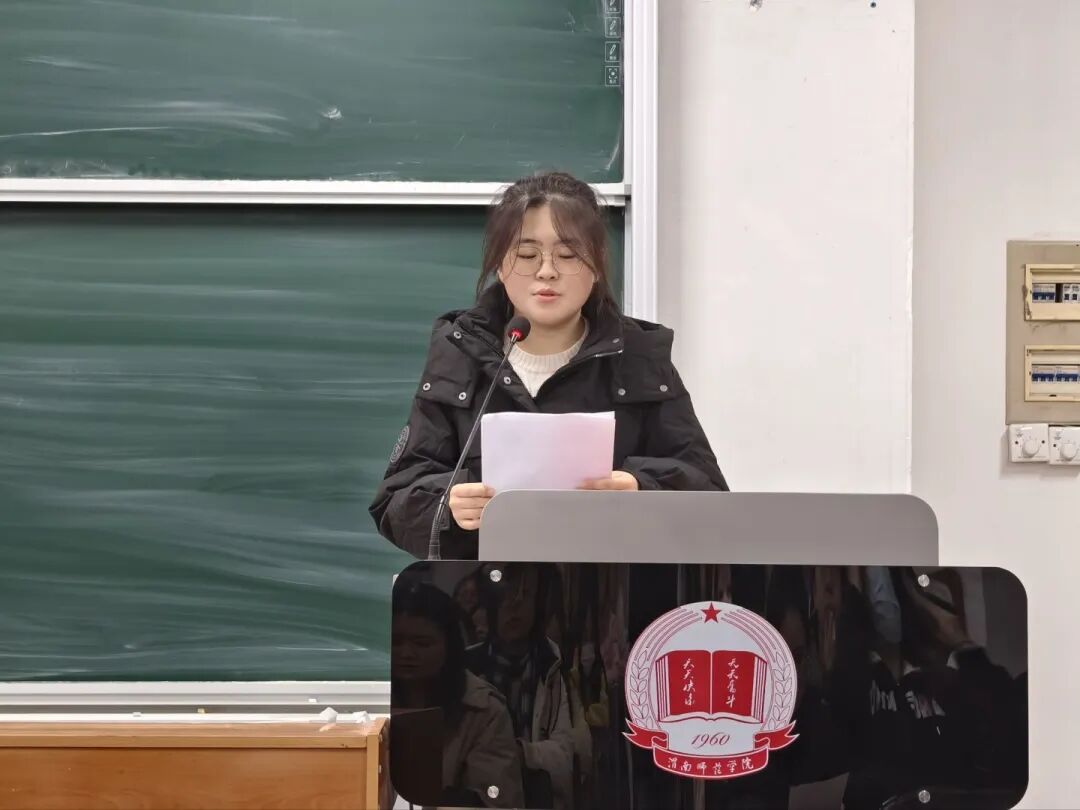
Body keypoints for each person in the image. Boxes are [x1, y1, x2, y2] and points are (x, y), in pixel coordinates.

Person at [369, 170, 728, 559]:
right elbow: (395, 503)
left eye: (568, 255)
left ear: (596, 264)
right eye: (526, 255)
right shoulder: (461, 353)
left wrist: (641, 488)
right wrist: (449, 504)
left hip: (611, 589)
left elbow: (710, 495)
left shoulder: (639, 357)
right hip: (486, 589)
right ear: (500, 265)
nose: (546, 271)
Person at [391, 581, 525, 809]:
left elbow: (497, 802)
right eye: (396, 642)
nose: (406, 653)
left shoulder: (484, 710)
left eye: (422, 644)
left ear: (449, 645)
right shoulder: (365, 696)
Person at [466, 563, 576, 810]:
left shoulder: (552, 667)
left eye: (525, 595)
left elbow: (564, 756)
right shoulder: (467, 669)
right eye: (505, 595)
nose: (514, 606)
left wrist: (518, 752)